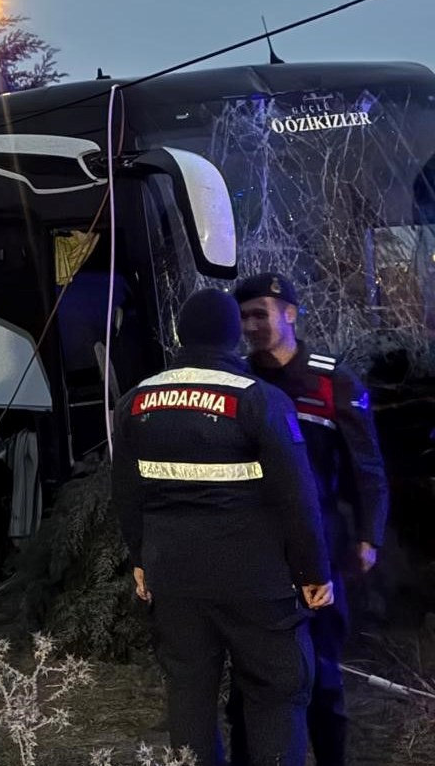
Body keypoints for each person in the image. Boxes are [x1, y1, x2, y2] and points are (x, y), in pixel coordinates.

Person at [113, 289, 333, 766]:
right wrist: (314, 571)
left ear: (179, 335)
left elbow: (128, 494)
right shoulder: (259, 400)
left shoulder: (135, 402)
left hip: (175, 579)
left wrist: (140, 560)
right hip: (258, 583)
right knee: (277, 693)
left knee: (189, 694)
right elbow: (297, 496)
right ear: (234, 336)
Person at [227, 273, 390, 766]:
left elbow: (367, 467)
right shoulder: (236, 381)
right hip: (250, 548)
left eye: (261, 313)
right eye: (244, 316)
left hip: (320, 546)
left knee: (321, 673)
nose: (250, 325)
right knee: (247, 677)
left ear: (290, 314)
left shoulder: (332, 380)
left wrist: (369, 537)